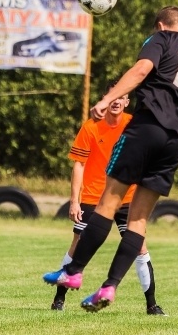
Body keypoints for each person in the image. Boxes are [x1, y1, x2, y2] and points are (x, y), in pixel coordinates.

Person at [43, 5, 178, 312]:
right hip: (176, 142)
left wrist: (105, 99)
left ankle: (73, 272)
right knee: (139, 219)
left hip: (146, 128)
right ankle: (109, 287)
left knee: (109, 202)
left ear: (161, 26)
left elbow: (142, 70)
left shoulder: (161, 39)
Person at [50, 81, 166, 315]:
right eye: (112, 96)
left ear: (126, 101)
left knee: (140, 247)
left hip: (128, 197)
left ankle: (152, 305)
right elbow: (79, 165)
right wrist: (75, 201)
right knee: (78, 245)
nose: (116, 101)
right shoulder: (91, 127)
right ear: (106, 98)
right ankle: (58, 300)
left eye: (121, 97)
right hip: (94, 197)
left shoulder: (134, 125)